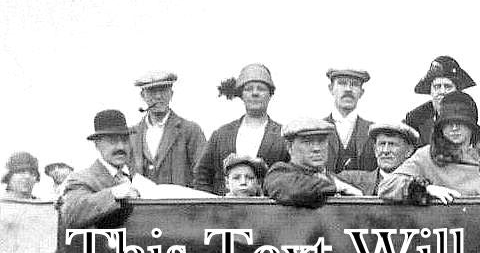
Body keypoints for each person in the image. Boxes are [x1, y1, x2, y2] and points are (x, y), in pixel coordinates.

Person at [379, 91, 480, 204]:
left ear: (472, 125)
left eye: (460, 122)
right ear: (441, 127)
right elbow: (387, 186)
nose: (454, 128)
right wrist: (425, 189)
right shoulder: (427, 156)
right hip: (443, 230)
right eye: (448, 123)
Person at [193, 64, 289, 194]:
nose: (255, 93)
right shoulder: (221, 135)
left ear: (270, 94)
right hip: (225, 211)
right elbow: (202, 175)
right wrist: (213, 207)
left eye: (261, 89)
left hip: (268, 211)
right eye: (249, 89)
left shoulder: (284, 136)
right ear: (241, 95)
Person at [60, 110, 141, 228]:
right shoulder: (81, 179)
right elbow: (71, 214)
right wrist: (114, 193)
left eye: (125, 140)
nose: (120, 147)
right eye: (112, 141)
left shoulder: (135, 178)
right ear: (97, 144)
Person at [128, 71, 207, 187]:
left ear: (171, 94)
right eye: (152, 91)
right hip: (141, 204)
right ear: (142, 95)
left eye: (163, 90)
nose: (158, 96)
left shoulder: (190, 131)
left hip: (179, 204)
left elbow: (203, 175)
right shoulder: (131, 135)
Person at [263, 117, 364, 207]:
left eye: (321, 141)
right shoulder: (279, 173)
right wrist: (335, 187)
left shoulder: (336, 179)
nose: (316, 148)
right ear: (290, 147)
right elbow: (291, 188)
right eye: (307, 142)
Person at [405, 55, 476, 147]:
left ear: (457, 92)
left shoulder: (468, 116)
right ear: (430, 91)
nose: (442, 92)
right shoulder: (415, 119)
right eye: (437, 87)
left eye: (447, 87)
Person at [338, 121, 420, 195]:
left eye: (392, 144)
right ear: (375, 150)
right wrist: (345, 187)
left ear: (409, 151)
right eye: (382, 144)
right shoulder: (355, 180)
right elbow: (327, 179)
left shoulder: (417, 184)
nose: (385, 151)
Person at [324, 67, 376, 172]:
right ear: (331, 89)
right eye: (342, 83)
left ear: (361, 92)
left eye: (355, 84)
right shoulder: (317, 129)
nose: (348, 89)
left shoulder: (374, 131)